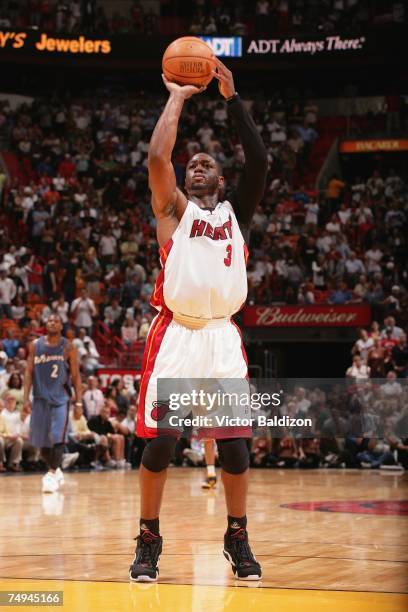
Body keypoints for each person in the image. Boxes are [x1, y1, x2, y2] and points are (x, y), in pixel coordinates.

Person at [130, 59, 267, 582]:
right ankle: (148, 538)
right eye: (193, 164)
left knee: (233, 446)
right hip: (179, 333)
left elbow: (259, 161)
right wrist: (178, 97)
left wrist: (232, 99)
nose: (197, 165)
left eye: (207, 162)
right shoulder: (173, 211)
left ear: (222, 178)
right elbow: (157, 155)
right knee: (161, 441)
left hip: (222, 338)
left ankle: (237, 536)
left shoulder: (236, 215)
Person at [23, 314, 82, 493]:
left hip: (61, 399)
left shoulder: (68, 347)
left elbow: (76, 375)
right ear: (45, 324)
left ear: (61, 326)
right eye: (49, 320)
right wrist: (25, 399)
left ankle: (50, 474)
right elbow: (28, 373)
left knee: (58, 437)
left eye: (56, 321)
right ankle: (57, 468)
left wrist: (78, 402)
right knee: (41, 444)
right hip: (40, 399)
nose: (52, 323)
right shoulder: (35, 345)